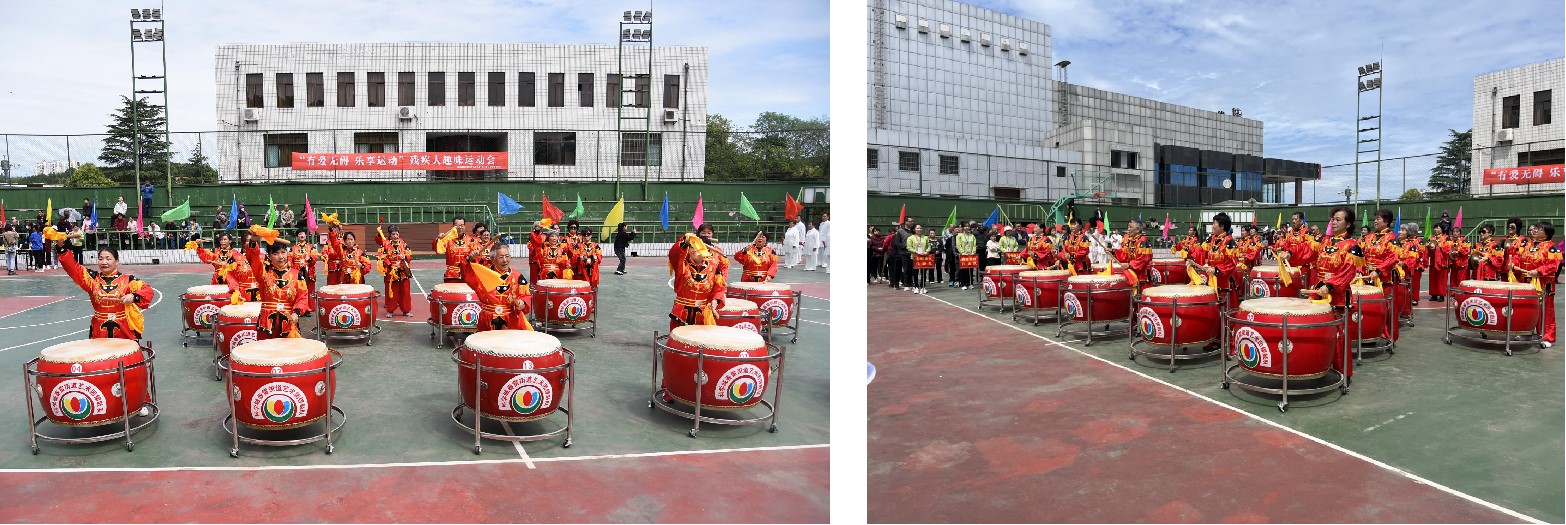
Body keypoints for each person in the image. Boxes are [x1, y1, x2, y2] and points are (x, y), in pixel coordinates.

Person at [53, 239, 155, 340]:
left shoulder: (129, 279)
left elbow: (147, 290)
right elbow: (73, 268)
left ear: (117, 261)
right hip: (99, 327)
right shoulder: (91, 278)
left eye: (108, 259)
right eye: (101, 259)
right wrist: (61, 246)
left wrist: (133, 296)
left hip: (124, 327)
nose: (104, 262)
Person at [243, 226, 308, 339]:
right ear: (268, 255)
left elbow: (302, 297)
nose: (280, 257)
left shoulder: (297, 274)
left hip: (288, 322)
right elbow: (252, 256)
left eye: (283, 252)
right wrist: (253, 240)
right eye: (276, 253)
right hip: (266, 322)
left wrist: (296, 313)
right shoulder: (263, 272)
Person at [1508, 222, 1561, 347]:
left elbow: (1554, 265)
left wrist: (1538, 271)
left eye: (1540, 229)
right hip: (1526, 282)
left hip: (1543, 283)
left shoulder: (1551, 247)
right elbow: (1517, 257)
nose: (1535, 231)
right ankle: (1527, 332)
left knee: (1545, 310)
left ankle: (1547, 337)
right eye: (1535, 228)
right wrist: (1513, 264)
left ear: (1547, 233)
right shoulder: (1527, 244)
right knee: (1528, 308)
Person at [462, 242, 533, 332]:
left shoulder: (518, 276)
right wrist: (469, 259)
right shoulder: (483, 275)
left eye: (507, 256)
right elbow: (468, 275)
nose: (505, 260)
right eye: (501, 257)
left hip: (510, 319)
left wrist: (522, 302)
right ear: (492, 259)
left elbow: (526, 296)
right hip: (487, 318)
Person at [1304, 207, 1366, 308]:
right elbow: (1306, 250)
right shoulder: (1324, 240)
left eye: (1338, 220)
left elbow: (1347, 273)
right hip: (1318, 290)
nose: (1334, 222)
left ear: (1348, 224)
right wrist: (1290, 253)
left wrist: (1329, 286)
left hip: (1338, 296)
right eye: (1333, 219)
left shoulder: (1352, 245)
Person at [667, 232, 726, 331]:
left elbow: (719, 288)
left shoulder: (714, 268)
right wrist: (685, 240)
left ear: (706, 250)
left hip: (703, 314)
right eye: (692, 247)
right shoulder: (682, 264)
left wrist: (715, 300)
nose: (694, 249)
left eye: (698, 247)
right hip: (682, 312)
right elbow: (673, 253)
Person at [1360, 209, 1404, 339]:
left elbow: (1393, 257)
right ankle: (1372, 332)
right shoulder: (1369, 237)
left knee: (1388, 308)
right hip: (1368, 278)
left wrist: (1378, 270)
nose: (1375, 221)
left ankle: (1388, 335)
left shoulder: (1392, 238)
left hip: (1385, 279)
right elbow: (1362, 255)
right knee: (1372, 308)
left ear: (1386, 221)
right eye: (1376, 218)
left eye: (1378, 219)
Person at [1187, 213, 1242, 310]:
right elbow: (1201, 250)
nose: (1212, 226)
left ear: (1222, 226)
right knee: (1214, 309)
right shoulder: (1211, 239)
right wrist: (1192, 259)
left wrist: (1217, 270)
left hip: (1226, 282)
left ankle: (1228, 325)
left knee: (1227, 309)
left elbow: (1232, 262)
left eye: (1214, 223)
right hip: (1213, 279)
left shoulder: (1229, 242)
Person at [375, 225, 415, 318]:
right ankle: (390, 310)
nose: (395, 236)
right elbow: (383, 257)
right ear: (390, 235)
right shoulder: (386, 245)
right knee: (392, 292)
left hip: (403, 272)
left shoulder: (404, 245)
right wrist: (390, 265)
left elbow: (409, 256)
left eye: (397, 234)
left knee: (405, 292)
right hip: (392, 272)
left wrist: (404, 257)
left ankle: (406, 310)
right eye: (393, 234)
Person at [436, 216, 479, 283]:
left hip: (467, 274)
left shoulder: (472, 240)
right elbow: (438, 250)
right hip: (451, 275)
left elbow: (477, 258)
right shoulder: (447, 240)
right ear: (453, 226)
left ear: (465, 226)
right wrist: (438, 240)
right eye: (457, 226)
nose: (460, 227)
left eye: (462, 225)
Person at [1113, 220, 1152, 291]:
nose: (1128, 229)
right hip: (1133, 273)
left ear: (1138, 230)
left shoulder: (1143, 241)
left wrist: (1129, 265)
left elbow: (1143, 259)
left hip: (1143, 276)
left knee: (1141, 297)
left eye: (1130, 227)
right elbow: (1124, 255)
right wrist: (1113, 252)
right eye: (1128, 227)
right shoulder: (1130, 241)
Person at [290, 229, 320, 316]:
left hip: (309, 271)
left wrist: (310, 259)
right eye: (299, 234)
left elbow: (314, 258)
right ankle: (299, 308)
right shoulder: (293, 248)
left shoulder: (311, 247)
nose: (302, 235)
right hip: (297, 272)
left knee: (309, 290)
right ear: (297, 236)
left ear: (306, 236)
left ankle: (308, 308)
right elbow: (290, 259)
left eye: (303, 233)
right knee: (299, 290)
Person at [1398, 224, 1428, 309]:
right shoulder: (1399, 242)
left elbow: (1421, 253)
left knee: (1414, 284)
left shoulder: (1418, 242)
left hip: (1416, 265)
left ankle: (1414, 298)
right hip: (1402, 267)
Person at [1428, 223, 1452, 303]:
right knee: (1433, 278)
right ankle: (1433, 294)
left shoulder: (1446, 238)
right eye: (1435, 228)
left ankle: (1441, 295)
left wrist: (1438, 247)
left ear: (1442, 229)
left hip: (1442, 261)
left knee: (1441, 279)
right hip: (1433, 261)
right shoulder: (1432, 237)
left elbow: (1448, 248)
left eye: (1438, 228)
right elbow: (1427, 247)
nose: (1436, 230)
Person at [906, 224, 931, 294]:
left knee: (924, 272)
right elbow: (909, 247)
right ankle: (916, 287)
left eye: (920, 228)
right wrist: (916, 252)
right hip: (915, 257)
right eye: (918, 228)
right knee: (915, 273)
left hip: (924, 257)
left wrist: (926, 251)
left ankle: (923, 287)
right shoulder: (910, 238)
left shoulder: (925, 237)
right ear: (914, 229)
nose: (919, 229)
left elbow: (929, 247)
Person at [954, 224, 977, 289]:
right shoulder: (959, 236)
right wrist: (963, 252)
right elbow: (958, 245)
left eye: (968, 226)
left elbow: (974, 245)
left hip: (971, 255)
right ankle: (963, 284)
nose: (967, 227)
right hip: (963, 255)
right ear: (963, 228)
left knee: (971, 269)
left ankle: (970, 283)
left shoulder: (972, 236)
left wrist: (973, 252)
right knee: (963, 269)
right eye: (965, 226)